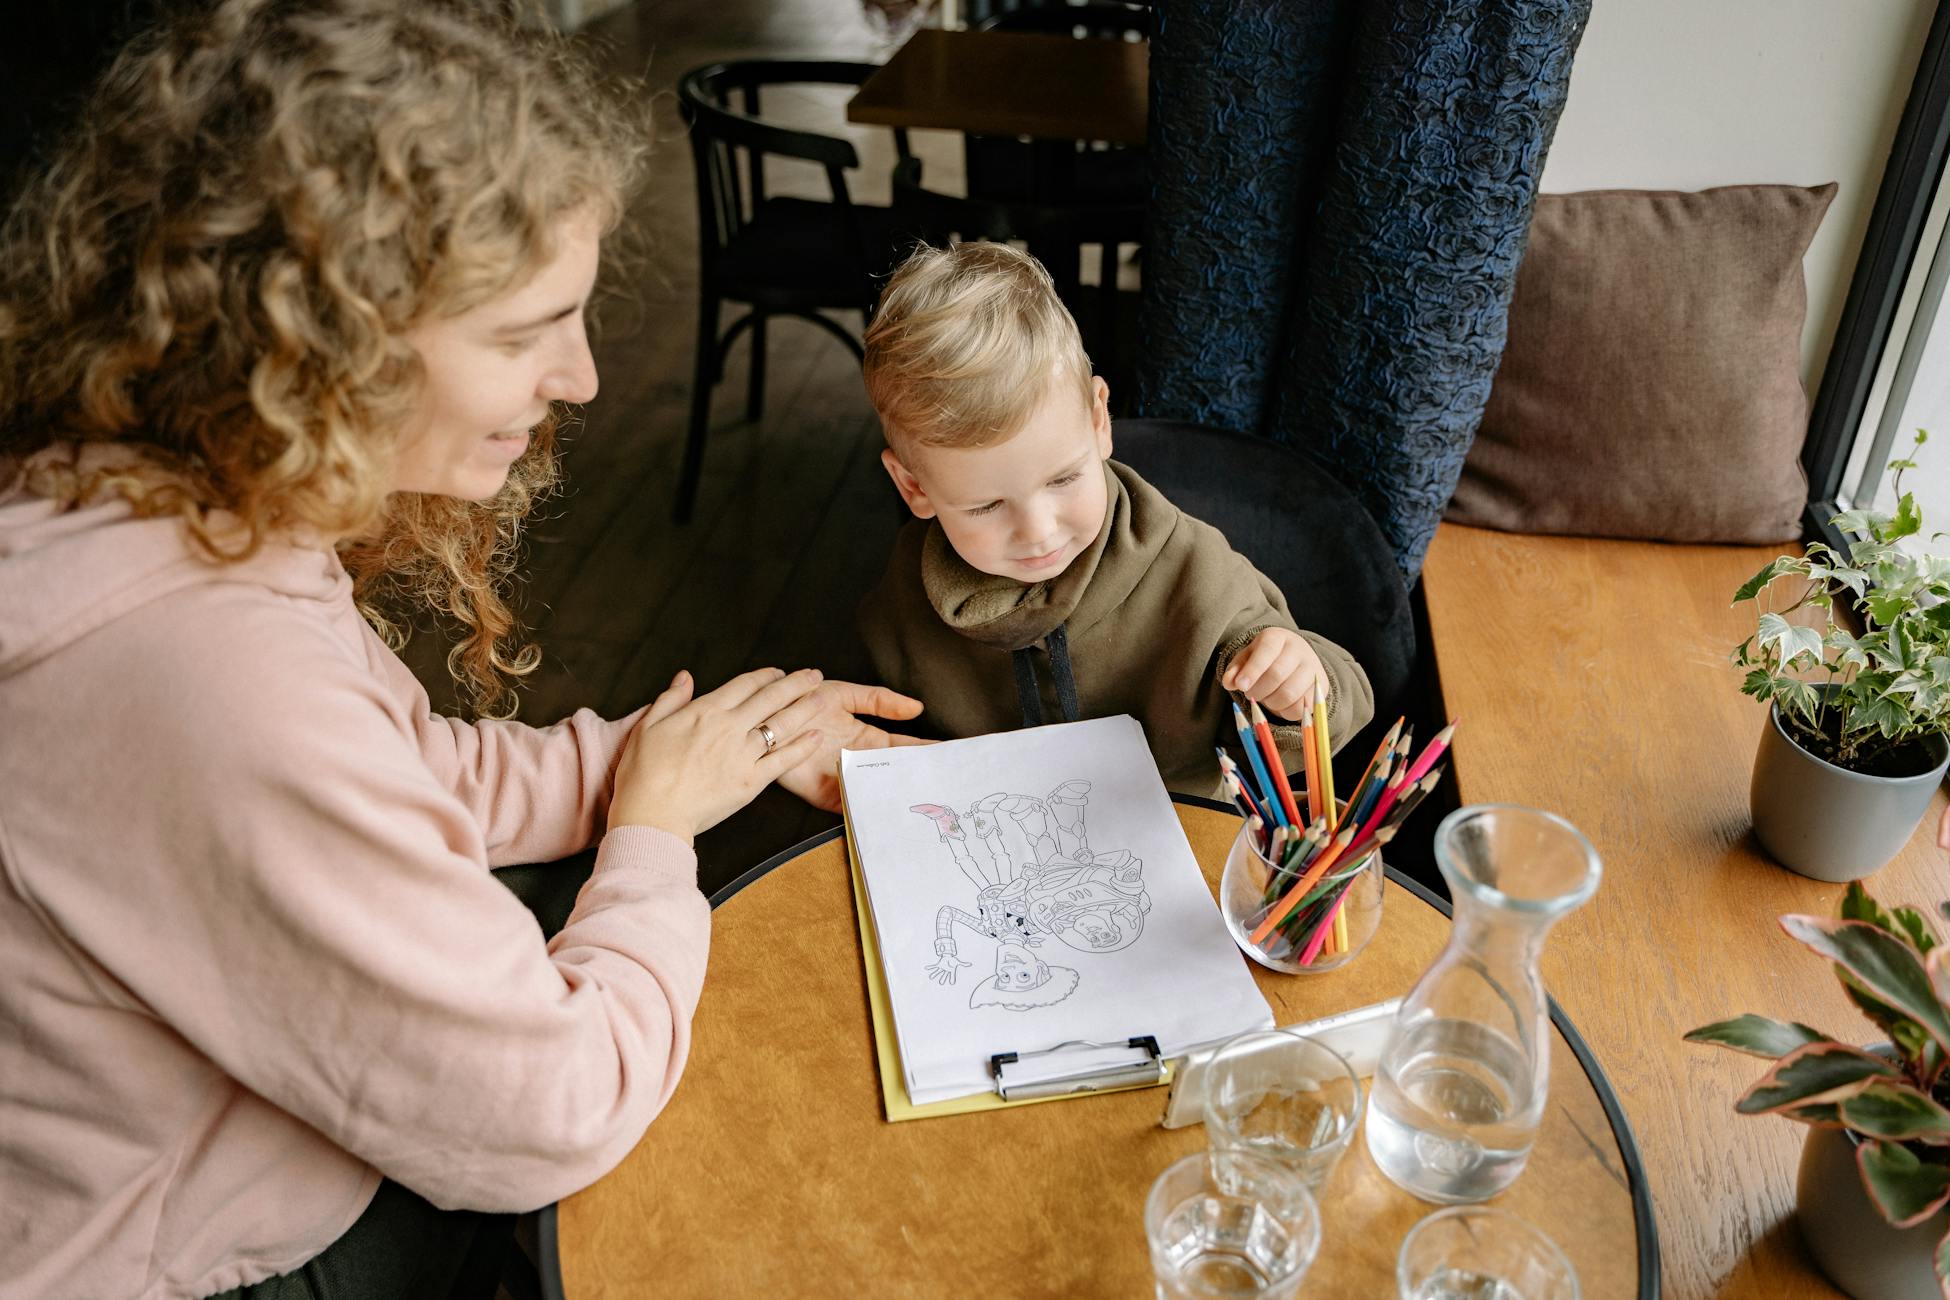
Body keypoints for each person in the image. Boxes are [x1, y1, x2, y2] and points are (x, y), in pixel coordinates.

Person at [0, 3, 922, 1297]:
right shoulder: (212, 682)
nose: (585, 378)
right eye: (521, 331)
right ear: (332, 337)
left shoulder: (157, 493)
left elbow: (398, 765)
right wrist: (651, 839)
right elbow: (555, 1111)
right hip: (205, 1259)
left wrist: (659, 757)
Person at [857, 242, 1373, 794]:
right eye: (986, 506)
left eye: (1062, 479)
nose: (1038, 531)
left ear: (1100, 420)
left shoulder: (1193, 569)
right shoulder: (903, 592)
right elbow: (879, 733)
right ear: (913, 486)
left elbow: (1344, 703)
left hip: (1184, 842)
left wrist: (1299, 684)